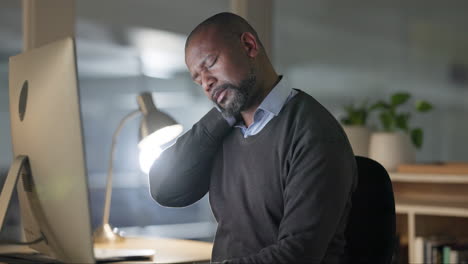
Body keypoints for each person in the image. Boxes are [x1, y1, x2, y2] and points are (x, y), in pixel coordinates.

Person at [149, 12, 357, 264]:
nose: (206, 83)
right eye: (197, 78)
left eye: (210, 63)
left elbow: (298, 254)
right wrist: (221, 116)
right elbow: (165, 189)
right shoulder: (224, 129)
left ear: (249, 46)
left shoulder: (315, 133)